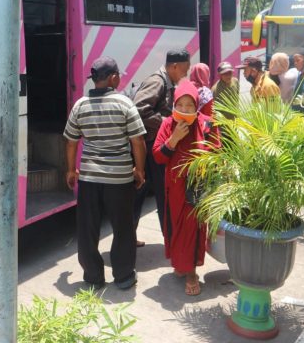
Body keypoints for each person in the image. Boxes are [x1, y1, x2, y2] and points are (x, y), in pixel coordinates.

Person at [64, 56, 147, 290]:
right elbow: (137, 141)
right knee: (123, 227)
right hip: (119, 178)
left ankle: (93, 276)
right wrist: (139, 170)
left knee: (87, 227)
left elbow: (70, 141)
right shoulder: (124, 104)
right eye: (118, 75)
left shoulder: (80, 105)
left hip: (89, 178)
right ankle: (123, 276)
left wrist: (71, 170)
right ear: (112, 78)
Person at [153, 80, 218, 296]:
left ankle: (191, 272)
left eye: (189, 106)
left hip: (197, 188)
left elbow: (217, 153)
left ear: (197, 106)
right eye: (180, 105)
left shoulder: (207, 124)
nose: (184, 110)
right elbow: (158, 156)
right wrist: (173, 140)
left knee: (193, 229)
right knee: (176, 228)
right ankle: (182, 264)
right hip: (175, 189)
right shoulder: (167, 124)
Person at [133, 49, 191, 245]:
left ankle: (130, 236)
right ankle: (171, 240)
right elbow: (139, 109)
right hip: (150, 147)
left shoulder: (166, 82)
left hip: (150, 146)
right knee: (162, 193)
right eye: (185, 69)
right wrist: (166, 122)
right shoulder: (157, 81)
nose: (186, 74)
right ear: (174, 66)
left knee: (141, 192)